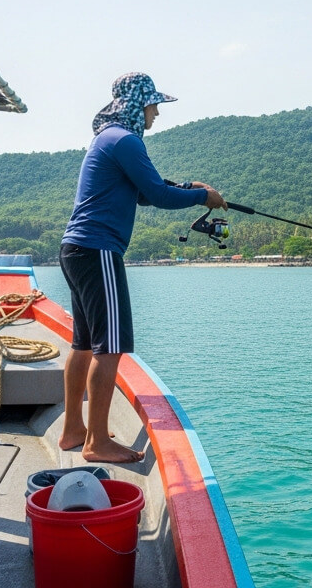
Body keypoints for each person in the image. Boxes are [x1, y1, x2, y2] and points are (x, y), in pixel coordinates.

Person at [59, 72, 226, 463]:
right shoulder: (126, 140)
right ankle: (96, 443)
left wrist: (189, 188)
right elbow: (157, 195)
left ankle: (73, 430)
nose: (156, 113)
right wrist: (204, 196)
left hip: (76, 249)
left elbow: (144, 193)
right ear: (137, 104)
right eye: (153, 105)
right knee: (110, 347)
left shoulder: (108, 138)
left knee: (84, 345)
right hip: (99, 250)